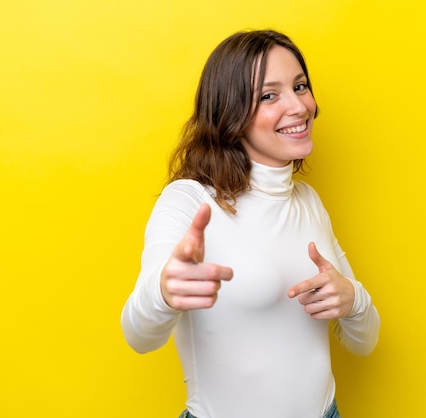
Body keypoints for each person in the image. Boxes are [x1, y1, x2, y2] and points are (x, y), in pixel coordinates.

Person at [121, 29, 380, 418]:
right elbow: (138, 335)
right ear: (231, 113)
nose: (298, 107)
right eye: (268, 95)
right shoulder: (190, 201)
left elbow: (364, 343)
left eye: (300, 86)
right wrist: (162, 292)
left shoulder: (307, 200)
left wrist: (353, 301)